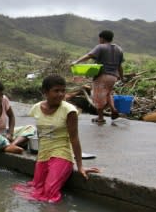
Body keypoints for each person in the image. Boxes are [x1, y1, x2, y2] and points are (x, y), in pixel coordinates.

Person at [21, 75, 99, 203]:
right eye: (56, 91)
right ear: (45, 92)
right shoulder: (36, 108)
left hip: (62, 155)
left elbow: (74, 139)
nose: (61, 94)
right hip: (43, 155)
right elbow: (41, 134)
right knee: (36, 188)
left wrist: (80, 166)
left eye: (63, 90)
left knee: (50, 191)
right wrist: (39, 157)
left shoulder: (69, 111)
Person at [72, 30, 125, 124]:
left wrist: (77, 62)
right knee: (108, 94)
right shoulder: (119, 49)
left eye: (99, 38)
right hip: (113, 77)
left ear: (102, 38)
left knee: (97, 96)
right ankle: (113, 110)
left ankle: (100, 118)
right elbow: (120, 66)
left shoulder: (101, 47)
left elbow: (89, 55)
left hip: (102, 75)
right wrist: (121, 77)